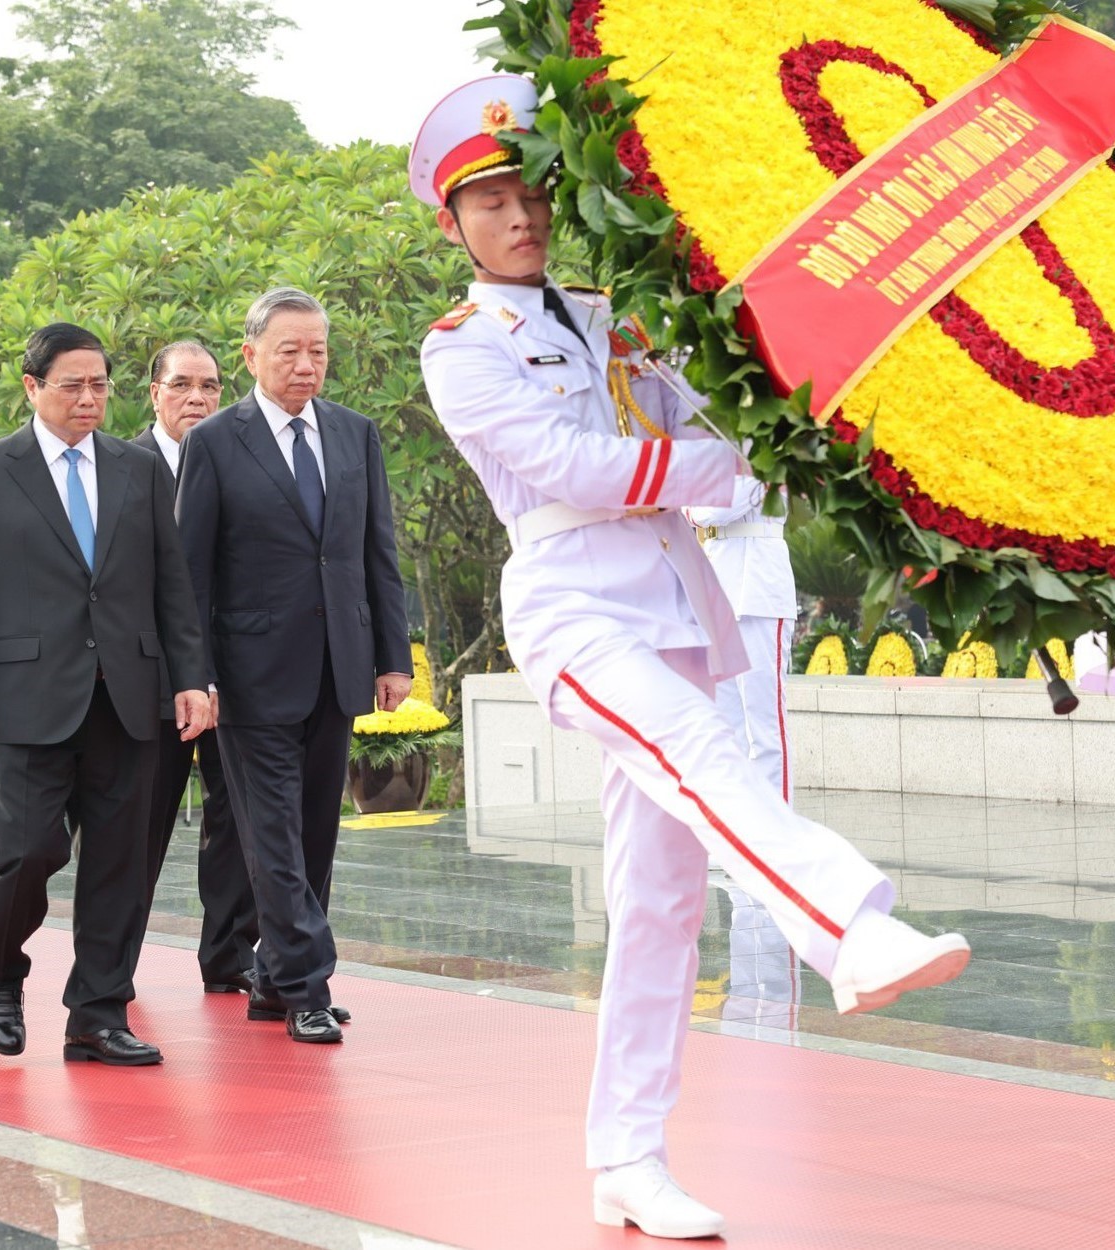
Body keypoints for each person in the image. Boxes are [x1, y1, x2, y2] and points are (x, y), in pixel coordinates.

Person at [410, 76, 970, 1239]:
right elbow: (577, 468)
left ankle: (627, 1153)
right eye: (491, 201)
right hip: (572, 608)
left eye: (531, 195)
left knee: (660, 901)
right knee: (708, 751)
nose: (521, 217)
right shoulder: (462, 347)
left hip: (670, 602)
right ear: (451, 223)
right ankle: (851, 930)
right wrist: (717, 471)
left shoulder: (609, 313)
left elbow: (699, 416)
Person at [0, 322, 211, 1066]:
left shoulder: (138, 469)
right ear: (32, 387)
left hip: (129, 694)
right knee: (24, 852)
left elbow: (171, 585)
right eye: (72, 385)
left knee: (121, 862)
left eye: (99, 384)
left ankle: (97, 1011)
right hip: (26, 698)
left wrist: (190, 677)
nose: (89, 398)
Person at [174, 288, 413, 1045]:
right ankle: (308, 982)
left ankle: (277, 980)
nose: (306, 365)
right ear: (251, 355)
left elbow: (375, 551)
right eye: (289, 351)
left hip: (336, 665)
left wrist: (391, 656)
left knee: (314, 833)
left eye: (317, 351)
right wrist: (195, 673)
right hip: (248, 676)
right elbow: (191, 573)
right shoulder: (214, 442)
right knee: (271, 835)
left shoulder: (354, 434)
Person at [132, 341, 258, 992]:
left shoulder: (244, 460)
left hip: (235, 678)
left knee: (235, 824)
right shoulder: (123, 466)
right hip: (149, 682)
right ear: (154, 393)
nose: (197, 399)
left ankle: (229, 956)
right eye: (181, 385)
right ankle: (112, 966)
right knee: (138, 827)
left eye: (209, 387)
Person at [687, 477, 798, 798]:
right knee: (728, 728)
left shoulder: (764, 445)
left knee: (765, 728)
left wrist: (689, 500)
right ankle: (740, 830)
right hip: (719, 583)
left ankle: (778, 831)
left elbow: (718, 507)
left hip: (758, 588)